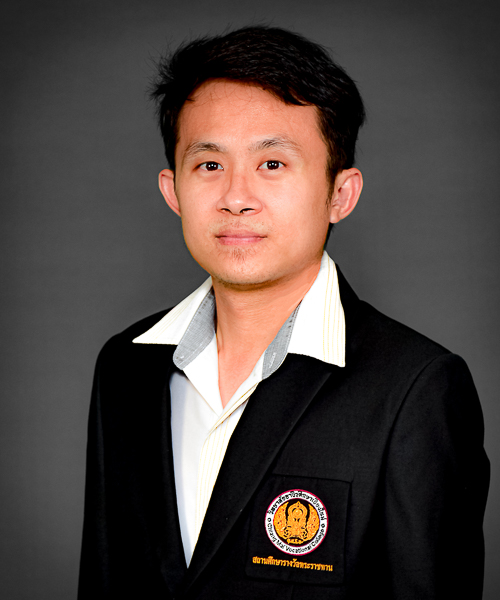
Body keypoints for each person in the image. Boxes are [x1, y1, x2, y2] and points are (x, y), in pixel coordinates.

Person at [78, 26, 489, 600]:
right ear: (172, 191)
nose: (236, 197)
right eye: (209, 165)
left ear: (340, 195)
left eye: (272, 164)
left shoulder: (415, 388)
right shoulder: (126, 366)